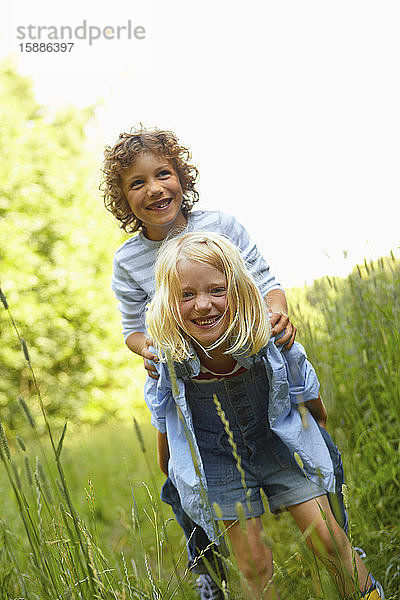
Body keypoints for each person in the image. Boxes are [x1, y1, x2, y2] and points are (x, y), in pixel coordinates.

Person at [101, 126, 296, 598]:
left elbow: (266, 281)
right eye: (137, 183)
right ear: (124, 200)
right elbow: (132, 327)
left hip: (248, 371)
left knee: (292, 451)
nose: (154, 188)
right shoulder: (129, 261)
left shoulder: (222, 227)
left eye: (162, 174)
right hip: (188, 387)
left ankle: (329, 535)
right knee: (178, 468)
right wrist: (148, 346)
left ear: (181, 178)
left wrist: (278, 310)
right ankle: (205, 561)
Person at [145, 231, 384, 600]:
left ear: (239, 291)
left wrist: (317, 427)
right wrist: (170, 466)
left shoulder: (265, 338)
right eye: (187, 295)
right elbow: (166, 415)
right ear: (167, 302)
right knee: (253, 565)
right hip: (218, 460)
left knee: (329, 540)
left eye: (216, 290)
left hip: (279, 446)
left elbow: (303, 387)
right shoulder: (170, 360)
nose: (203, 305)